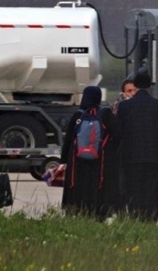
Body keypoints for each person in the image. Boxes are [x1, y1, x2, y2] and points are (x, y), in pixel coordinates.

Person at [115, 72, 158, 222]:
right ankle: (150, 220)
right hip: (154, 157)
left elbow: (118, 132)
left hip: (131, 157)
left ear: (136, 86)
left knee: (133, 191)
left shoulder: (125, 106)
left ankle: (135, 220)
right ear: (149, 87)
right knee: (152, 192)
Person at [60, 86, 120, 220]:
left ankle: (77, 212)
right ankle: (98, 214)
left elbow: (69, 140)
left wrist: (64, 160)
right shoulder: (105, 114)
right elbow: (117, 134)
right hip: (99, 162)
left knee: (78, 187)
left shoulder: (78, 115)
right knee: (97, 187)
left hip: (78, 162)